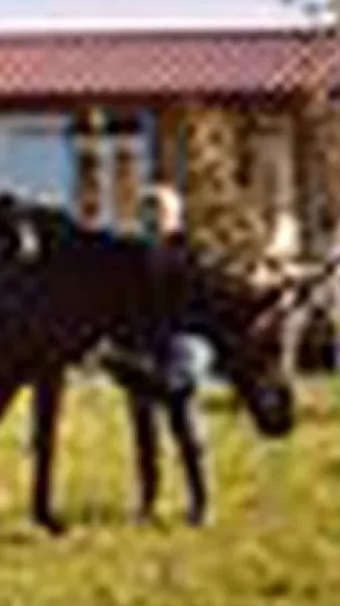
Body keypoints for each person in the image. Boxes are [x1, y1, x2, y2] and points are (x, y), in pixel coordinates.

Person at [106, 184, 219, 525]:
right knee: (144, 431)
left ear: (175, 218)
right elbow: (116, 305)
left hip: (180, 345)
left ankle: (201, 502)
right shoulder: (127, 257)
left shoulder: (192, 254)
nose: (153, 221)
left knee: (184, 424)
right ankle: (147, 502)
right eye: (148, 214)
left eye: (161, 214)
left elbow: (202, 304)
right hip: (139, 347)